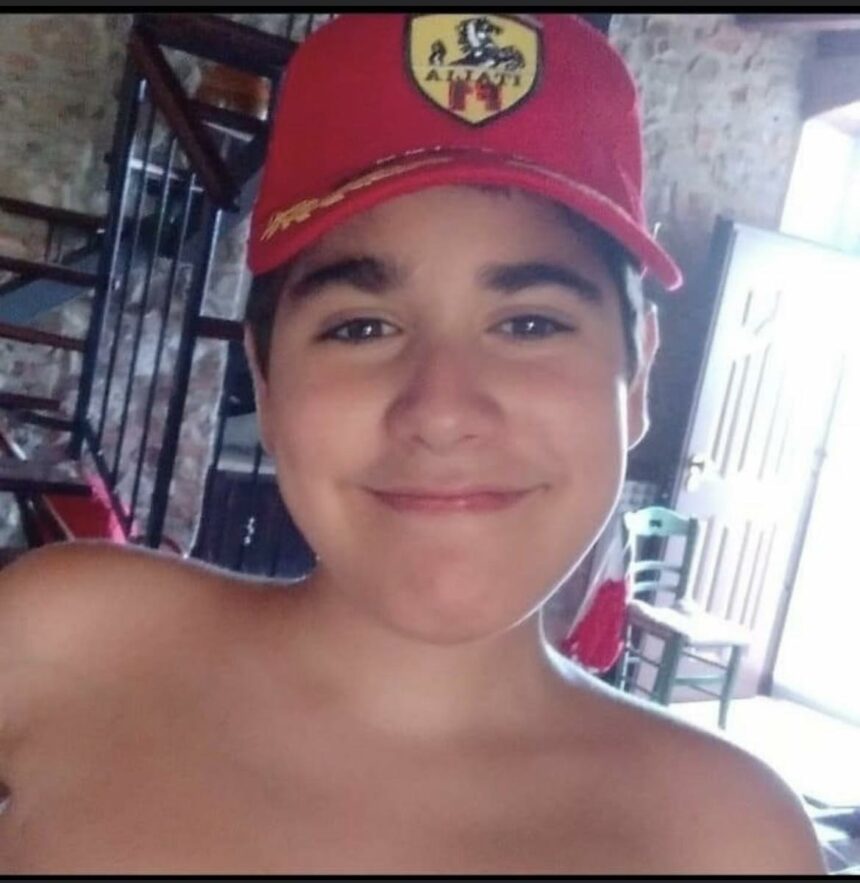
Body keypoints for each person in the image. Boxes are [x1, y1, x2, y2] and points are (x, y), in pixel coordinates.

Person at [0, 13, 825, 874]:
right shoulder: (72, 642)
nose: (441, 410)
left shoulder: (728, 837)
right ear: (267, 380)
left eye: (531, 323)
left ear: (639, 378)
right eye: (360, 327)